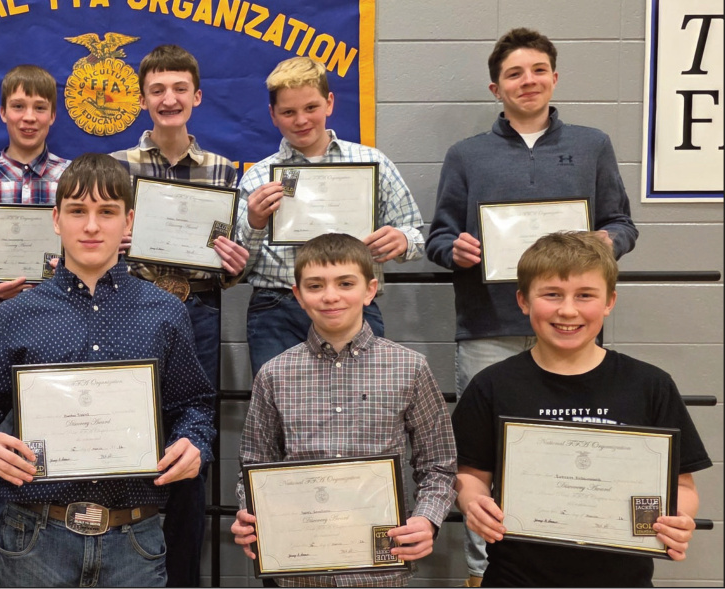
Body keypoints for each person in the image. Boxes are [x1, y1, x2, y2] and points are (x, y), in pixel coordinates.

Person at [424, 28, 638, 586]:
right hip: (488, 327)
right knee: (483, 458)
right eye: (515, 74)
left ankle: (574, 558)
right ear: (496, 87)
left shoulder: (592, 144)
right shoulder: (466, 154)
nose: (528, 81)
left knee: (575, 449)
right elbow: (438, 238)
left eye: (538, 70)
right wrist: (457, 249)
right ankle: (482, 573)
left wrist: (607, 243)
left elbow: (623, 223)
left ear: (554, 78)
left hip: (572, 331)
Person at [0, 153, 217, 587]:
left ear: (128, 222)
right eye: (78, 211)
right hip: (36, 539)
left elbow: (194, 407)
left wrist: (194, 443)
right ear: (56, 220)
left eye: (107, 212)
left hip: (135, 539)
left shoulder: (165, 313)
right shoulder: (17, 314)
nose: (91, 226)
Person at [450, 231, 708, 586]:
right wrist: (473, 502)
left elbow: (684, 486)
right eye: (551, 294)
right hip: (516, 577)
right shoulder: (492, 385)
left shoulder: (650, 385)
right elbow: (470, 475)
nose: (568, 310)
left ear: (609, 301)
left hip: (623, 579)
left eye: (585, 295)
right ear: (523, 300)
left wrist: (678, 518)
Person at [230, 232, 457, 587]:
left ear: (370, 290)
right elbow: (254, 464)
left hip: (379, 569)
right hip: (302, 568)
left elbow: (439, 465)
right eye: (316, 285)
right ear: (299, 296)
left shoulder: (409, 368)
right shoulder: (274, 374)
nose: (331, 296)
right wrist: (251, 513)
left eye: (345, 283)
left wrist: (427, 519)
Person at [108, 43, 247, 587]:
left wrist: (235, 264)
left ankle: (184, 577)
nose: (169, 99)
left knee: (191, 446)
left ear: (197, 96)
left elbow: (229, 266)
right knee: (128, 435)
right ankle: (124, 570)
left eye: (179, 89)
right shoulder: (119, 166)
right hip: (129, 315)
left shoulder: (221, 170)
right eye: (158, 90)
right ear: (143, 100)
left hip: (199, 316)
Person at [236, 56, 426, 375]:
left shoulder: (372, 163)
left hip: (353, 305)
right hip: (276, 308)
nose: (301, 120)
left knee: (365, 406)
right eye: (288, 112)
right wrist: (254, 222)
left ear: (329, 103)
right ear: (273, 115)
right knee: (281, 410)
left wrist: (403, 240)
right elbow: (237, 268)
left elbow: (417, 237)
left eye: (311, 108)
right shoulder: (258, 178)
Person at [0, 64, 70, 588]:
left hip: (60, 354)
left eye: (40, 108)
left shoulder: (71, 180)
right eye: (19, 107)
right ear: (3, 111)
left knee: (55, 472)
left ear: (54, 114)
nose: (29, 117)